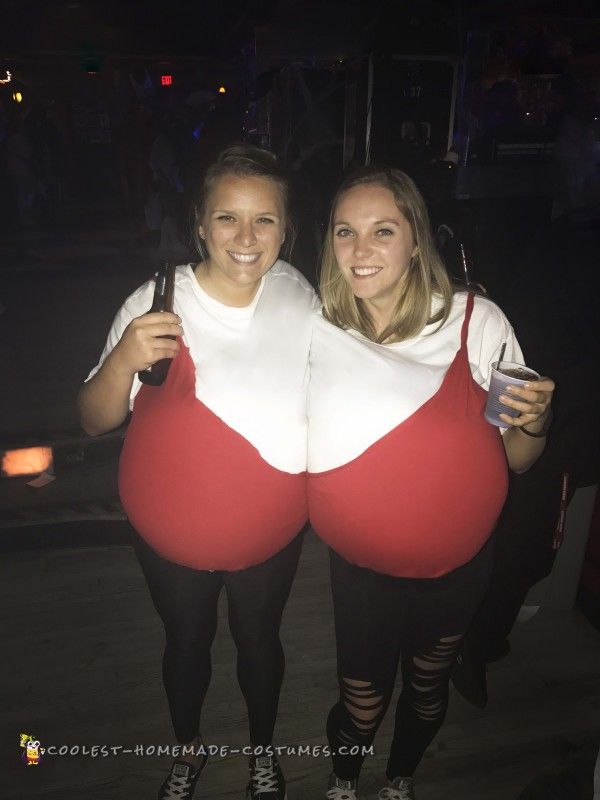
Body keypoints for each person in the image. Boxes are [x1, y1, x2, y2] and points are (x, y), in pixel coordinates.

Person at [306, 165, 555, 800]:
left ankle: (399, 780)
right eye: (346, 232)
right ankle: (342, 779)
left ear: (417, 237)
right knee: (360, 701)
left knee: (426, 683)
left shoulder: (478, 322)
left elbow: (521, 456)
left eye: (382, 231)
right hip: (361, 568)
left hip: (456, 568)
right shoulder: (315, 329)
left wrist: (538, 419)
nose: (361, 251)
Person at [78, 144, 317, 800]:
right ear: (200, 225)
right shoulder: (155, 302)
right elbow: (93, 419)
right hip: (170, 536)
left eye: (264, 220)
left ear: (286, 228)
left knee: (259, 642)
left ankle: (262, 751)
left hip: (270, 532)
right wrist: (124, 356)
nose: (245, 237)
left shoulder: (301, 294)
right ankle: (188, 749)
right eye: (227, 218)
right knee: (187, 641)